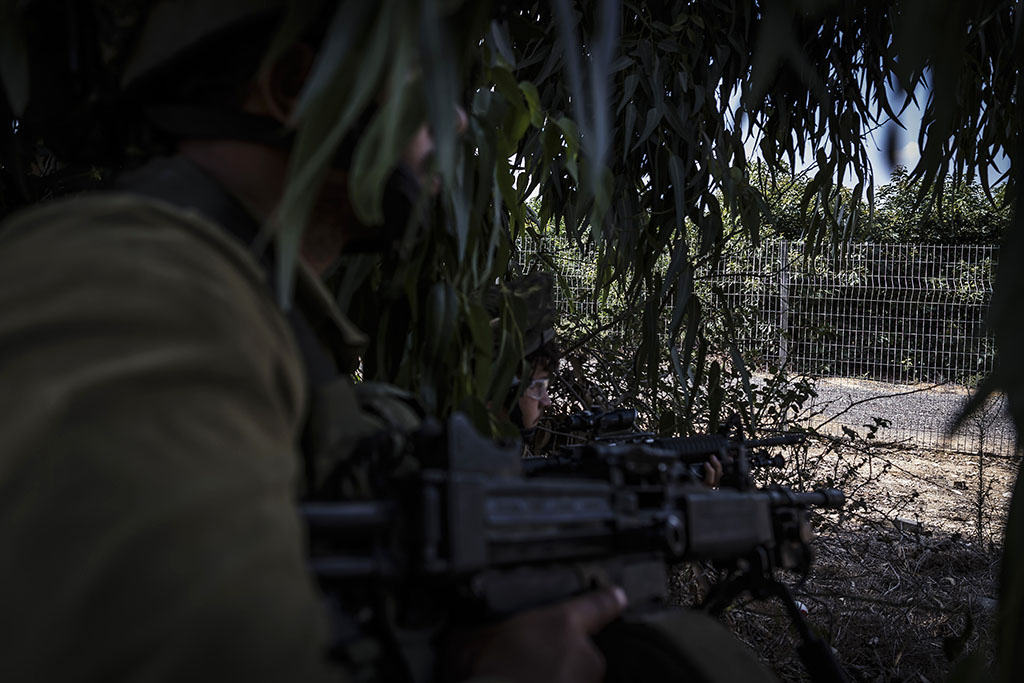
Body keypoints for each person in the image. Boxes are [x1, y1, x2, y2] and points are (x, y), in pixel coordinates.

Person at [0, 3, 628, 681]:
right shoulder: (148, 291)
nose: (452, 121)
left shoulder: (226, 304)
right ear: (294, 85)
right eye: (421, 77)